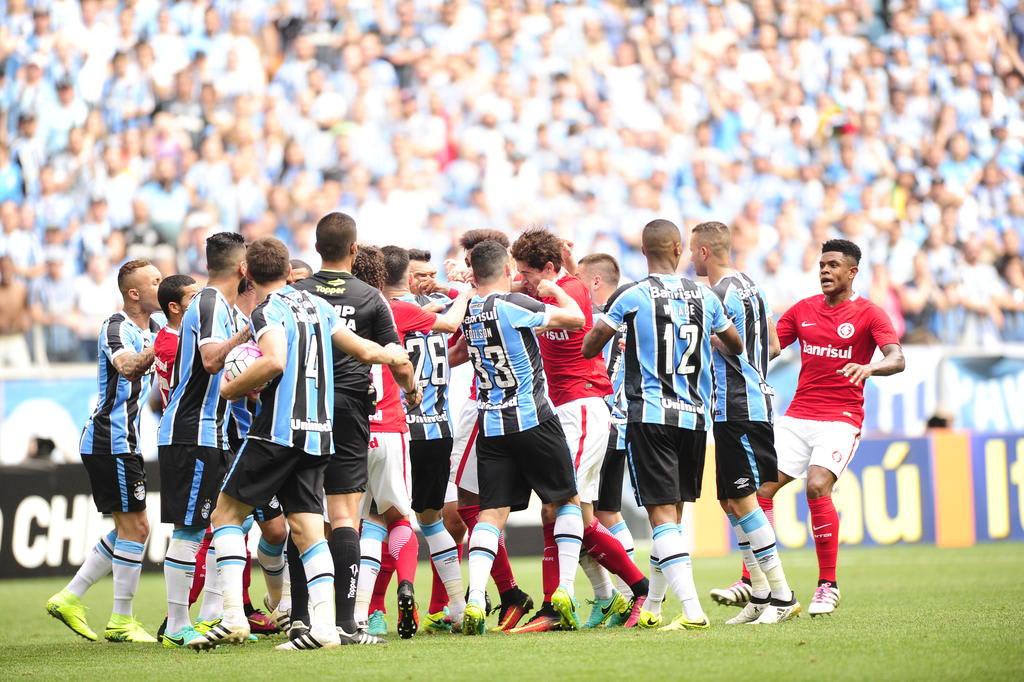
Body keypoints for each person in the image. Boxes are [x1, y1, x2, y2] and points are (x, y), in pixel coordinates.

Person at [203, 237, 409, 651]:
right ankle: (325, 628)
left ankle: (231, 617)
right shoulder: (317, 306)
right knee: (308, 529)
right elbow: (364, 350)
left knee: (224, 516)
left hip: (277, 432)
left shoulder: (267, 309)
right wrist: (395, 358)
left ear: (247, 272)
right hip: (318, 434)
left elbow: (274, 360)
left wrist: (230, 388)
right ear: (287, 270)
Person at [711, 239, 905, 617]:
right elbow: (766, 348)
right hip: (798, 415)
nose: (825, 271)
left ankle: (827, 586)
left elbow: (896, 357)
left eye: (833, 265)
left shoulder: (869, 314)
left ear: (852, 272)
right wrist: (718, 340)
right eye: (821, 265)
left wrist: (870, 367)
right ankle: (754, 582)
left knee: (817, 485)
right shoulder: (803, 311)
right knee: (759, 489)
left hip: (841, 418)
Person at [582, 219, 744, 632]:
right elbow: (736, 344)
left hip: (649, 415)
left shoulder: (631, 297)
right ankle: (653, 607)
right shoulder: (703, 295)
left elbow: (589, 348)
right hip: (693, 417)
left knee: (661, 518)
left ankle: (691, 611)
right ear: (676, 247)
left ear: (644, 250)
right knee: (673, 515)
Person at [510, 230, 648, 632]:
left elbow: (542, 292)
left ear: (549, 269)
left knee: (562, 507)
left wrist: (556, 273)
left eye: (527, 273)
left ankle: (563, 601)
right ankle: (618, 595)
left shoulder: (573, 291)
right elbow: (516, 288)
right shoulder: (554, 289)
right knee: (578, 517)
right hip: (561, 411)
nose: (523, 280)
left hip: (583, 407)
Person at [289, 212, 412, 644]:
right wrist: (411, 390)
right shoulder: (371, 297)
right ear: (354, 249)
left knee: (303, 514)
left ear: (317, 248)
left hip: (301, 407)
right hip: (349, 409)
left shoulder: (295, 294)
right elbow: (396, 357)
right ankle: (344, 622)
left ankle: (301, 617)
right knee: (345, 517)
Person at [459, 239, 588, 636]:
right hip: (533, 419)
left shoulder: (465, 309)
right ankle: (564, 590)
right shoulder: (514, 306)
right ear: (504, 270)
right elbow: (576, 319)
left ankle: (477, 598)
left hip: (492, 426)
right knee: (565, 500)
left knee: (491, 514)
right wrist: (555, 290)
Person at [45, 259, 163, 643]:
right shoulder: (115, 326)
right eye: (154, 282)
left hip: (126, 440)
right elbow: (128, 367)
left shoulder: (159, 326)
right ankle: (121, 620)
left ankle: (70, 597)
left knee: (131, 527)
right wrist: (160, 349)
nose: (161, 287)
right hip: (107, 440)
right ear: (134, 293)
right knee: (137, 527)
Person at [689, 221, 798, 625]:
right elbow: (771, 345)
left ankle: (782, 596)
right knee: (729, 500)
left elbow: (719, 344)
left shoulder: (716, 295)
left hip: (739, 404)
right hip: (743, 403)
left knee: (745, 498)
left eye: (691, 250)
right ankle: (759, 594)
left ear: (702, 252)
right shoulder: (752, 285)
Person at [366, 245, 473, 634]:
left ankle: (373, 610)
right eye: (422, 274)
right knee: (430, 521)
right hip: (440, 428)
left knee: (384, 520)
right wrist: (460, 293)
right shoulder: (432, 312)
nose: (429, 280)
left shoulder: (388, 312)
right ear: (409, 278)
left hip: (405, 431)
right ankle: (459, 607)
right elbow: (451, 341)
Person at [155, 233, 253, 648]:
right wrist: (246, 336)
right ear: (242, 268)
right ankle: (177, 624)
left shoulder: (222, 306)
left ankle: (212, 613)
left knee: (227, 519)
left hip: (212, 431)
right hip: (191, 430)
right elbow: (213, 361)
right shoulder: (211, 303)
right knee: (191, 528)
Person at [445, 229, 530, 632]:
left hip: (487, 411)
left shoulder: (486, 301)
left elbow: (458, 352)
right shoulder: (502, 301)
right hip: (508, 410)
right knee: (476, 510)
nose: (466, 272)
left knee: (471, 508)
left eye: (468, 266)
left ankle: (507, 593)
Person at [344, 245, 423, 639]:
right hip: (390, 428)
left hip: (350, 430)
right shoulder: (386, 309)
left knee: (354, 522)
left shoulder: (332, 312)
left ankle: (356, 611)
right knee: (398, 518)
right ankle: (405, 585)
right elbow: (401, 360)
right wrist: (412, 390)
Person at [576, 252, 641, 626]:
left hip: (602, 423)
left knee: (579, 513)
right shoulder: (634, 316)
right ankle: (623, 595)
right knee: (605, 512)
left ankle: (625, 593)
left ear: (596, 282)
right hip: (621, 422)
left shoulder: (605, 320)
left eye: (581, 281)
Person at [153, 275, 199, 408]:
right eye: (193, 298)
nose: (200, 301)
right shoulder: (175, 346)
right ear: (174, 307)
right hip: (185, 420)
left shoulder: (164, 334)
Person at [0, 255, 31, 368]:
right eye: (3, 268)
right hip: (0, 339)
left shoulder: (21, 290)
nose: (5, 271)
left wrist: (25, 322)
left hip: (16, 339)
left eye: (8, 268)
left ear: (13, 269)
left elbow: (28, 312)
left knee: (24, 377)